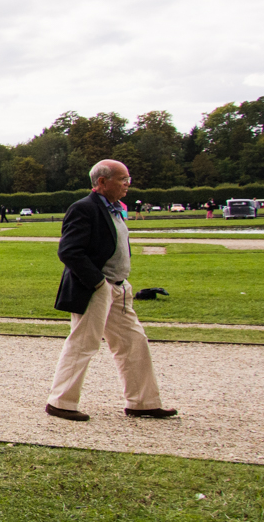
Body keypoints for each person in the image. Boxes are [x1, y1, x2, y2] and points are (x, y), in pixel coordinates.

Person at [47, 160, 173, 420]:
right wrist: (98, 283)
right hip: (97, 288)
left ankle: (143, 402)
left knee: (134, 343)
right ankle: (60, 402)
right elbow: (69, 251)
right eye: (123, 178)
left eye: (128, 178)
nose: (128, 183)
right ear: (102, 182)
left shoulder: (116, 209)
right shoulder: (83, 208)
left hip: (119, 287)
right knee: (83, 344)